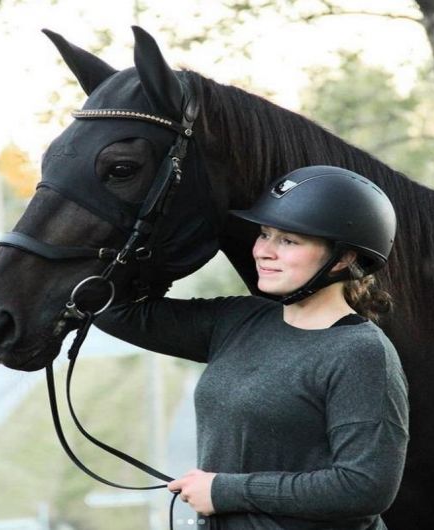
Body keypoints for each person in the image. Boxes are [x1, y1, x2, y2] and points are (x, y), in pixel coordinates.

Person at [95, 165, 409, 530]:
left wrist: (224, 490)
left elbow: (364, 487)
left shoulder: (360, 353)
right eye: (264, 234)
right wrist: (167, 237)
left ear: (343, 259)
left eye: (288, 241)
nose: (263, 251)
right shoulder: (238, 319)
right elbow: (114, 308)